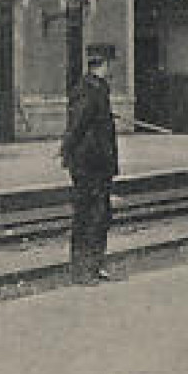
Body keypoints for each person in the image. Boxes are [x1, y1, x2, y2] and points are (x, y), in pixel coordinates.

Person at [61, 44, 120, 284]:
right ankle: (82, 271)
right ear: (103, 64)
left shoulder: (97, 88)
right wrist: (68, 152)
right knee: (89, 215)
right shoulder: (88, 90)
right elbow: (77, 127)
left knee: (100, 215)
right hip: (89, 163)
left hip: (98, 163)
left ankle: (93, 267)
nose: (110, 69)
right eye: (109, 64)